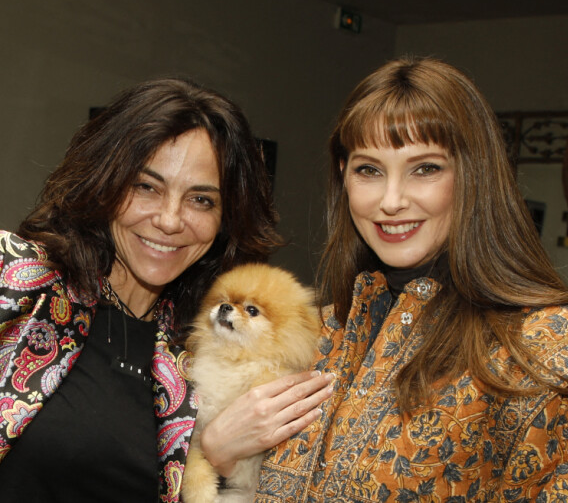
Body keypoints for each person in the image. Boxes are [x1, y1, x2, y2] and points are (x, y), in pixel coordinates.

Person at [255, 57, 568, 501]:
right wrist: (214, 450)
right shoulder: (311, 333)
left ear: (473, 175)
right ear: (343, 178)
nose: (391, 201)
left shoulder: (542, 349)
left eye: (425, 168)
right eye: (369, 169)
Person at [0, 77, 332, 503]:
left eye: (201, 200)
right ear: (105, 182)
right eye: (146, 187)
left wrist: (218, 454)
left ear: (225, 221)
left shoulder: (199, 351)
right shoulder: (18, 277)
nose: (171, 220)